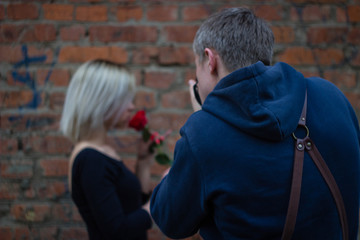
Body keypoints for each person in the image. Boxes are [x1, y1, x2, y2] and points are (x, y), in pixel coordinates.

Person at [150, 7, 360, 240]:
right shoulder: (331, 95)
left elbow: (170, 220)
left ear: (210, 60)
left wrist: (202, 124)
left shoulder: (202, 135)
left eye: (197, 68)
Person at [60, 59, 153, 240]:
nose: (131, 107)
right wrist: (159, 203)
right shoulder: (90, 159)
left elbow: (133, 207)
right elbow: (118, 231)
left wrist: (143, 162)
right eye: (125, 100)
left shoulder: (102, 151)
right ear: (102, 101)